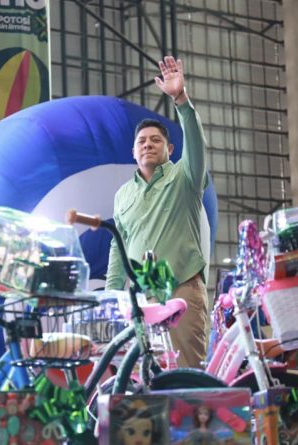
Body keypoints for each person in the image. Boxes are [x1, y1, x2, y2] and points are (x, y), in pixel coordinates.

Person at [105, 55, 210, 369]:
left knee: (187, 378)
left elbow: (197, 144)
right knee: (145, 382)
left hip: (182, 291)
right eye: (141, 141)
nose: (147, 144)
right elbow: (117, 245)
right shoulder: (123, 195)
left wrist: (181, 100)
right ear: (133, 151)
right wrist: (112, 295)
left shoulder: (185, 177)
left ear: (170, 149)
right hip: (141, 301)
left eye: (155, 140)